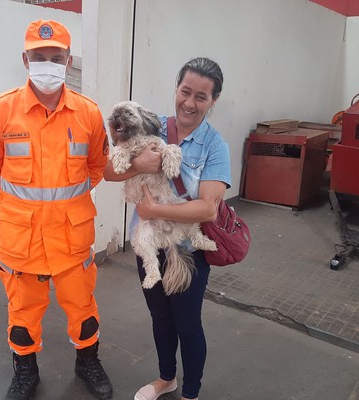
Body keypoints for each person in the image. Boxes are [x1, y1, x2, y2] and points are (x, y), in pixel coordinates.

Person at [0, 19, 113, 400]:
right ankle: (26, 373)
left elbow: (98, 168)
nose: (48, 63)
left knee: (83, 311)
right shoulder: (1, 111)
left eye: (56, 57)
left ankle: (88, 363)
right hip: (22, 239)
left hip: (71, 237)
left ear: (69, 62)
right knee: (22, 316)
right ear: (25, 59)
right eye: (40, 56)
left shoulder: (88, 114)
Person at [104, 57, 230, 400]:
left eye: (201, 97)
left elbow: (207, 207)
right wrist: (137, 164)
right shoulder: (151, 125)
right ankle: (166, 379)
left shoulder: (215, 146)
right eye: (185, 91)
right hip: (148, 244)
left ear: (213, 101)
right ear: (176, 89)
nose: (189, 103)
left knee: (187, 324)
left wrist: (154, 208)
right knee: (160, 317)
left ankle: (190, 391)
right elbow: (108, 172)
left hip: (186, 248)